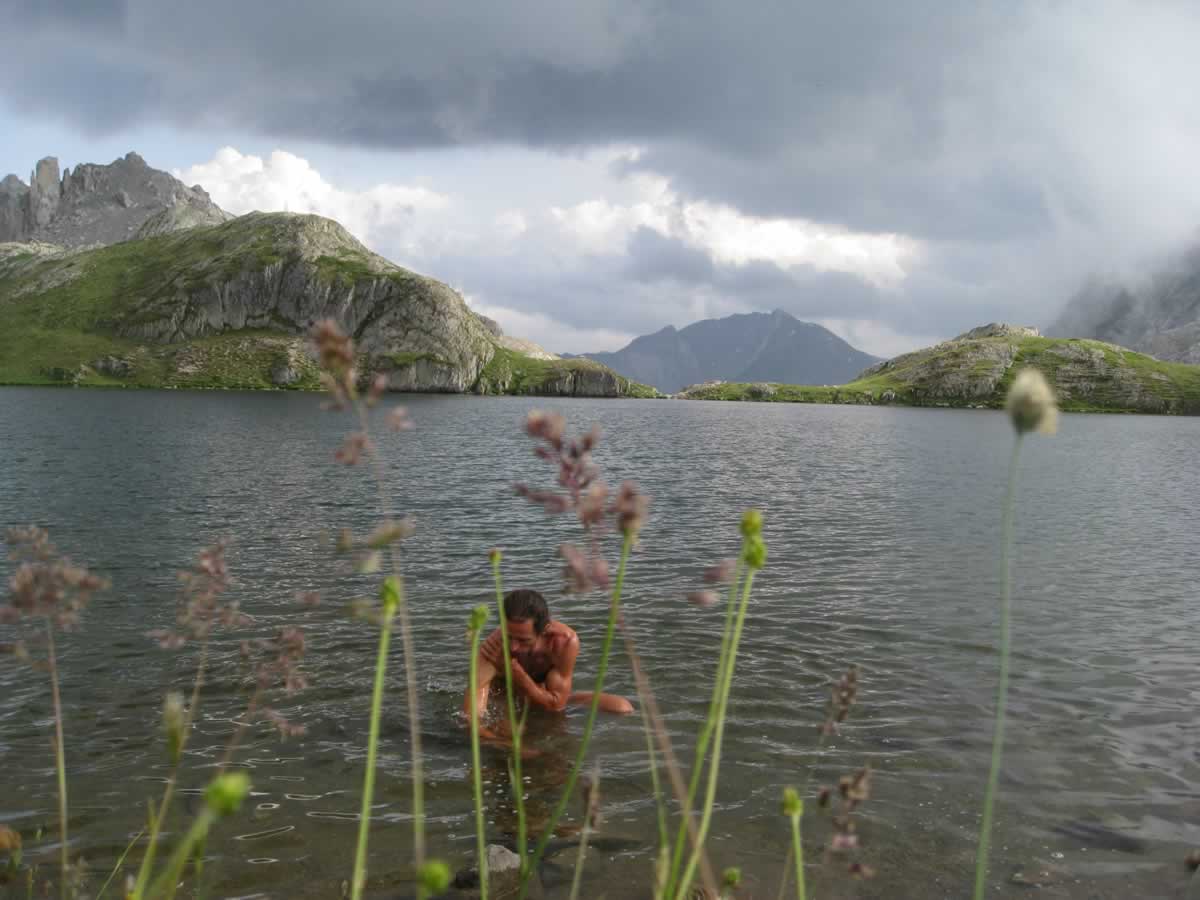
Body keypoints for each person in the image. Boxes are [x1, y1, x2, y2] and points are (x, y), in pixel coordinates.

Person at [463, 588, 633, 738]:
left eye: (523, 640)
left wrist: (514, 672)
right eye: (508, 637)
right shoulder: (493, 648)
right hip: (508, 704)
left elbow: (556, 704)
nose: (514, 646)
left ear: (544, 630)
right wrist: (505, 744)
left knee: (622, 707)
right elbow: (472, 719)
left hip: (543, 700)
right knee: (515, 734)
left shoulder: (563, 642)